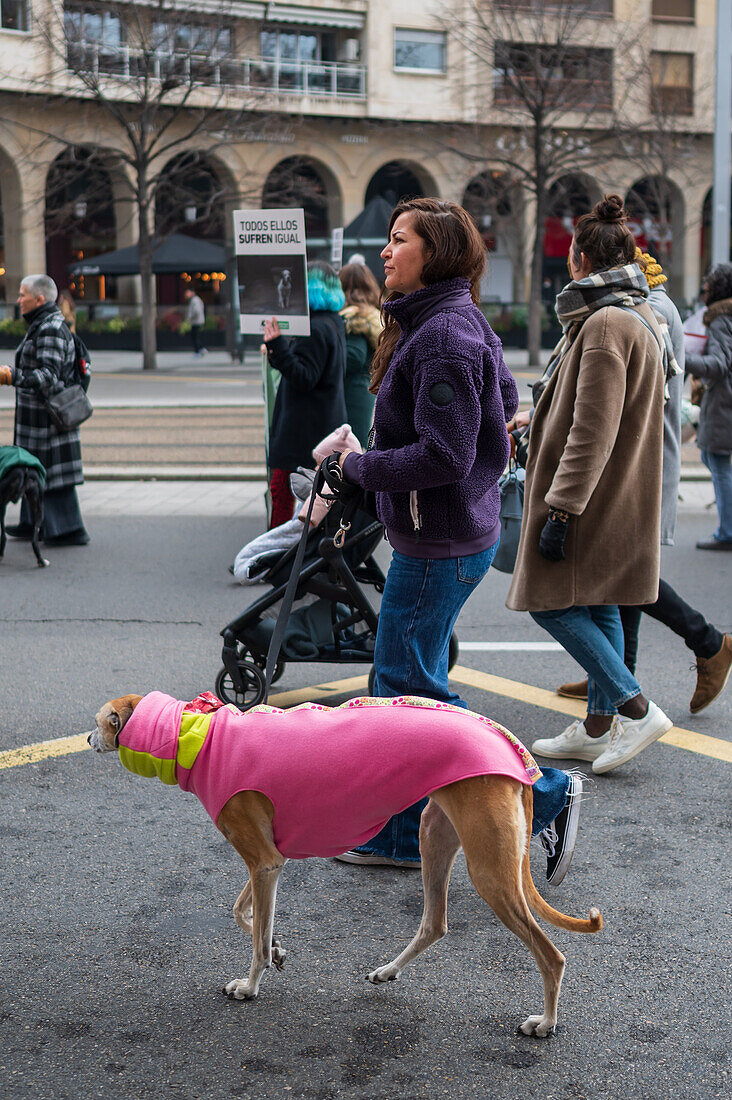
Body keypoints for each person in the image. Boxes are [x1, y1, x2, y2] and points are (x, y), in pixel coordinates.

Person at [323, 197, 580, 884]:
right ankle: (407, 834)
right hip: (446, 535)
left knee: (416, 699)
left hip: (437, 545)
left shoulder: (443, 335)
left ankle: (546, 792)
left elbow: (447, 455)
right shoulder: (450, 321)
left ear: (433, 253)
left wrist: (359, 467)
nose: (385, 251)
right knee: (405, 694)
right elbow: (502, 397)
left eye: (398, 240)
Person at [507, 195, 672, 775]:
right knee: (596, 602)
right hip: (618, 493)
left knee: (547, 603)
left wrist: (560, 509)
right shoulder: (637, 314)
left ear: (578, 259)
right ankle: (598, 727)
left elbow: (592, 429)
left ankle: (636, 709)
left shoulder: (602, 322)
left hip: (590, 498)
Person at [556, 250, 732, 715]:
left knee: (625, 575)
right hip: (635, 460)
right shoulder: (636, 305)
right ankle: (615, 678)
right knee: (622, 576)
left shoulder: (648, 308)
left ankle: (703, 644)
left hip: (641, 461)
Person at [0, 274, 89, 546]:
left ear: (39, 299)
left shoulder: (49, 327)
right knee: (33, 469)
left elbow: (48, 376)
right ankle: (32, 523)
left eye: (22, 295)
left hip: (47, 420)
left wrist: (11, 376)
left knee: (51, 473)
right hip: (39, 419)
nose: (18, 300)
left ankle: (68, 530)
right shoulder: (42, 323)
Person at [264, 260, 347, 529]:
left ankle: (275, 563)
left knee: (282, 494)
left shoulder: (314, 328)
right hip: (317, 428)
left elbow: (304, 377)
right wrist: (279, 351)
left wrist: (278, 346)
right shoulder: (332, 322)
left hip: (301, 436)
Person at [685, 262, 732, 551]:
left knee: (716, 461)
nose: (702, 294)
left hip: (724, 402)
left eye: (705, 289)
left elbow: (718, 365)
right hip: (725, 401)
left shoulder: (720, 319)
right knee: (712, 460)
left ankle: (727, 532)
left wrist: (681, 357)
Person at [338, 261, 382, 446]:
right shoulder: (374, 315)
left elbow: (354, 356)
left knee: (349, 450)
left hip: (352, 396)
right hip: (367, 392)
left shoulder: (353, 319)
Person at [184, 288, 206, 357]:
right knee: (195, 336)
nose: (186, 295)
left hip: (196, 321)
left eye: (188, 293)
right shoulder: (195, 300)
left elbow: (196, 311)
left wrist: (190, 317)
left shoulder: (195, 300)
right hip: (197, 320)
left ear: (192, 292)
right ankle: (201, 349)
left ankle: (198, 351)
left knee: (194, 336)